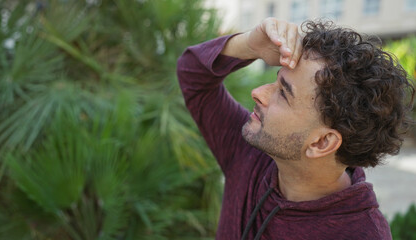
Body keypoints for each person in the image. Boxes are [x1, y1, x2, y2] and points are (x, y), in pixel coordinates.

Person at [177, 17, 414, 240]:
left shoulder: (361, 234)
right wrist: (250, 45)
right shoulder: (251, 156)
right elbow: (192, 73)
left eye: (283, 93)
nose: (258, 92)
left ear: (322, 142)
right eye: (276, 79)